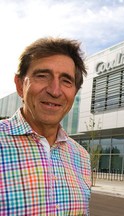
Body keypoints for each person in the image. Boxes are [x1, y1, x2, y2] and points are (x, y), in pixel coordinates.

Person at [0, 37, 91, 215]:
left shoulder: (82, 157)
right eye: (42, 76)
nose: (55, 91)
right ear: (20, 85)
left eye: (66, 81)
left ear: (74, 93)